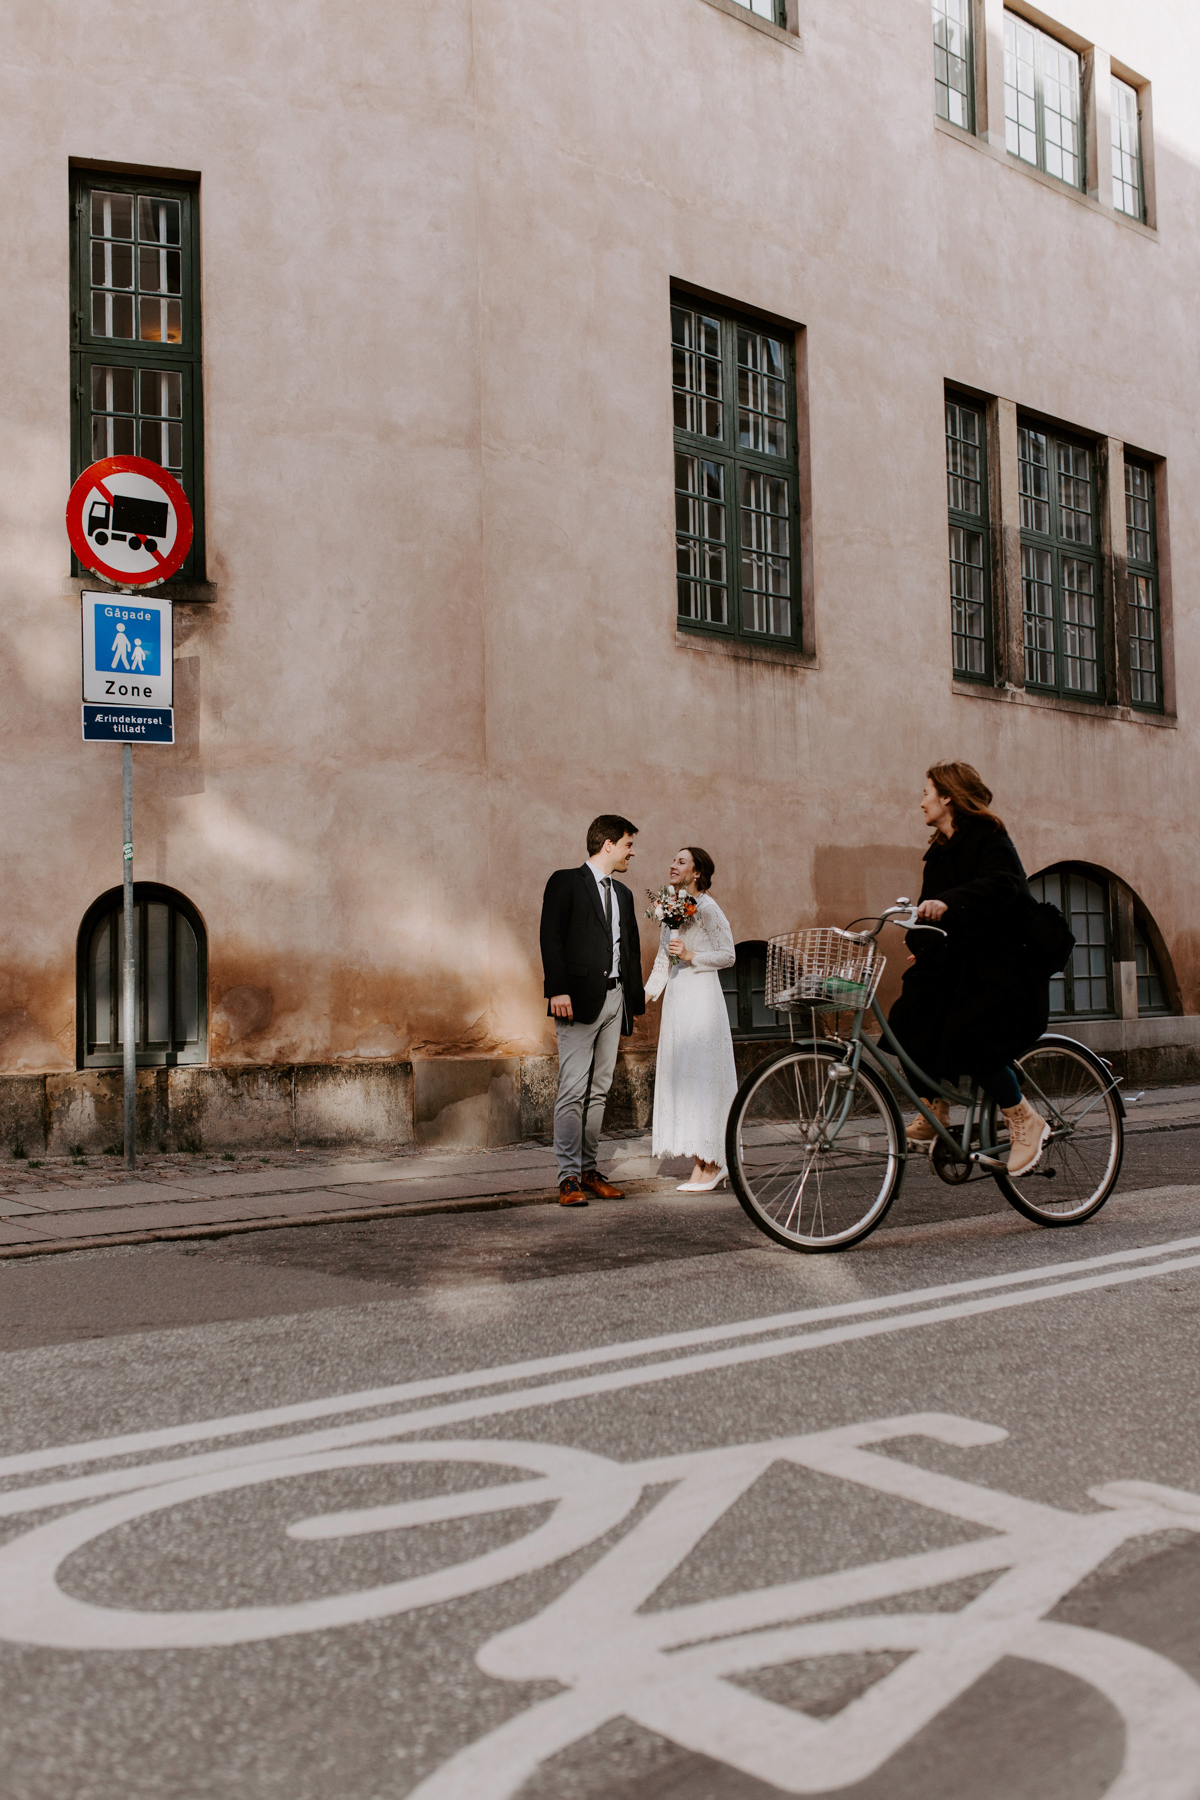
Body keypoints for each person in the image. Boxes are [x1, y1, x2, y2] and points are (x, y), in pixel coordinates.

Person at [887, 762, 1051, 1176]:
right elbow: (930, 911)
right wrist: (922, 945)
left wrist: (951, 901)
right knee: (907, 1017)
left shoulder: (988, 836)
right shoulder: (938, 851)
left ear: (946, 796)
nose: (920, 801)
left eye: (926, 792)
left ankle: (1023, 1118)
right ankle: (934, 1108)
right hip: (961, 961)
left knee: (975, 1031)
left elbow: (1004, 884)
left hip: (1006, 965)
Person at [540, 815, 647, 1207]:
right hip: (576, 1001)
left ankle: (588, 1169)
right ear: (608, 845)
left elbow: (630, 949)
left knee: (599, 1091)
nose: (631, 852)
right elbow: (550, 937)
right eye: (628, 845)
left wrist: (632, 1004)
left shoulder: (624, 895)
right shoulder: (565, 882)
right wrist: (557, 990)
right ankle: (567, 1177)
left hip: (615, 999)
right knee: (572, 1090)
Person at [645, 847, 738, 1191]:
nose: (673, 864)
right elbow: (662, 959)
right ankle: (701, 1162)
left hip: (702, 997)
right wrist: (642, 998)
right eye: (673, 859)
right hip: (678, 1000)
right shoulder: (671, 907)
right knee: (684, 1075)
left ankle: (713, 1162)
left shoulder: (708, 908)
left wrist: (691, 955)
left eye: (681, 861)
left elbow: (729, 955)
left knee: (703, 1076)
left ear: (697, 873)